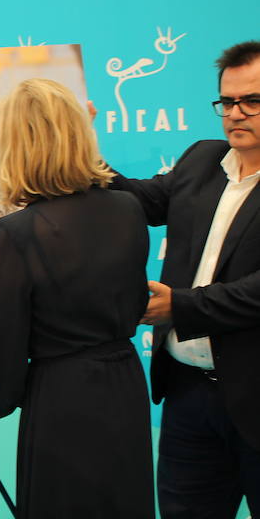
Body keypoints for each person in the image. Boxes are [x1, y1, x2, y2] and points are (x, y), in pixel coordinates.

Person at [0, 78, 154, 518]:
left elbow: (0, 358)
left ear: (15, 146)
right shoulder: (129, 209)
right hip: (125, 388)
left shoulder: (17, 233)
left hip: (62, 401)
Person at [107, 41, 260, 518]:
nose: (235, 114)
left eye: (252, 101)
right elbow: (139, 199)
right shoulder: (201, 159)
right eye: (226, 102)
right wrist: (72, 148)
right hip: (188, 396)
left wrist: (182, 306)